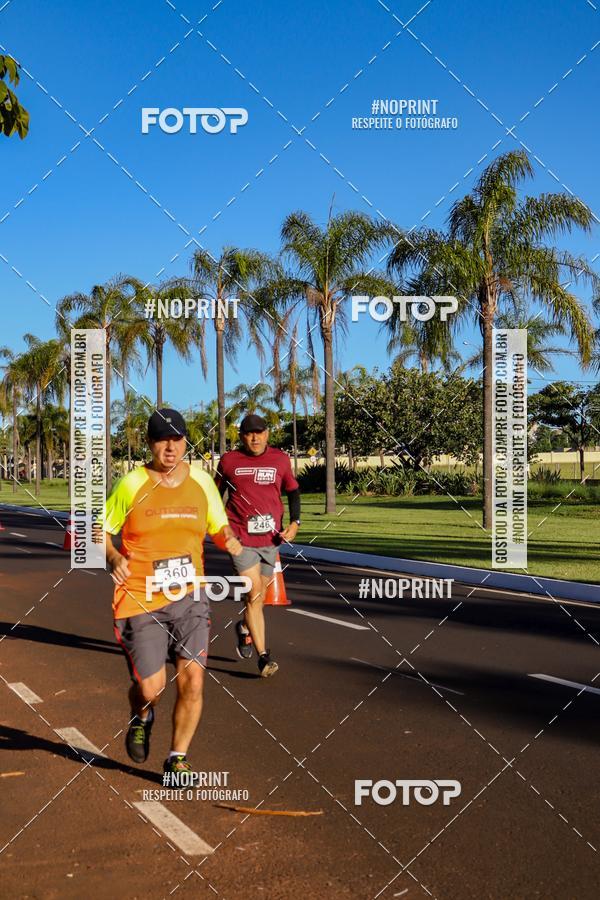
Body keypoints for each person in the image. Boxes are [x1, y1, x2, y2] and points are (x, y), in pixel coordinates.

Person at [104, 408, 242, 775]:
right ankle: (141, 713)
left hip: (190, 597)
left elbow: (218, 525)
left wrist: (227, 539)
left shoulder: (201, 482)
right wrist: (114, 555)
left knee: (193, 679)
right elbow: (101, 530)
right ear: (150, 443)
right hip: (140, 597)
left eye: (177, 439)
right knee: (151, 687)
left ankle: (176, 758)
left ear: (185, 442)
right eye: (162, 439)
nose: (170, 447)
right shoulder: (131, 484)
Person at [215, 414, 301, 677]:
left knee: (258, 598)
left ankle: (243, 627)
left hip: (271, 540)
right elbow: (214, 495)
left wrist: (295, 522)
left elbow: (293, 490)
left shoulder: (280, 460)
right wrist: (222, 530)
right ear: (241, 436)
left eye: (260, 432)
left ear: (267, 434)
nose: (255, 438)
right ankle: (264, 657)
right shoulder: (229, 461)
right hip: (241, 539)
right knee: (253, 594)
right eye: (249, 433)